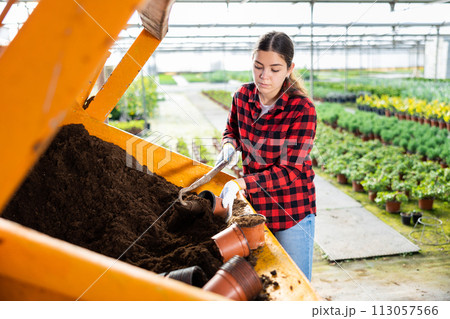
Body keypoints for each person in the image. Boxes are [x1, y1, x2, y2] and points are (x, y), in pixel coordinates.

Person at [216, 31, 317, 281]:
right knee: (262, 281)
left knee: (294, 281)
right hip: (255, 208)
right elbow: (232, 130)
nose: (264, 76)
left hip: (291, 210)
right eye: (258, 66)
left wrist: (241, 183)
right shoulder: (242, 96)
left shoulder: (302, 109)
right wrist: (229, 145)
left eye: (274, 69)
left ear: (289, 68)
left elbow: (290, 171)